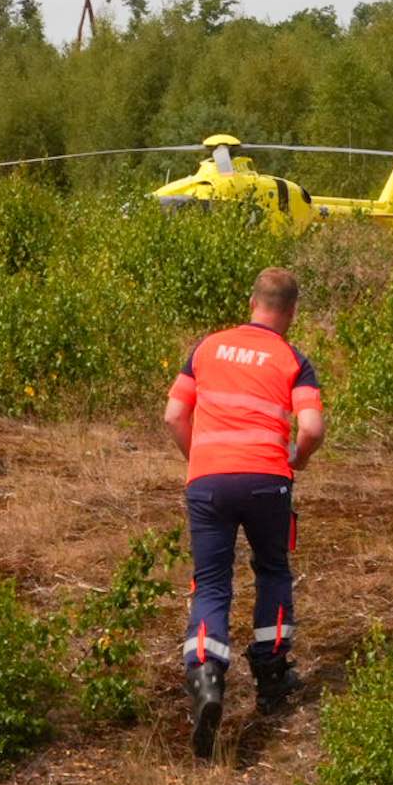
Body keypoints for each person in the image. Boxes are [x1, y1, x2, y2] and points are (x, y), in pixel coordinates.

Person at [164, 266, 326, 759]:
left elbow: (174, 415)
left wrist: (202, 460)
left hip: (209, 480)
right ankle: (272, 677)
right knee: (273, 569)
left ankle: (207, 675)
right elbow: (313, 428)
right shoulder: (294, 359)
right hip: (267, 481)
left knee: (211, 582)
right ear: (292, 311)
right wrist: (292, 460)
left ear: (251, 301)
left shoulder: (207, 347)